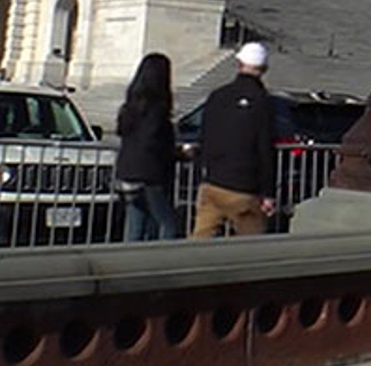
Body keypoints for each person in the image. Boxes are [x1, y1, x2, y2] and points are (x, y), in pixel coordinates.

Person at [191, 41, 276, 238]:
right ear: (264, 69)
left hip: (212, 182)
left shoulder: (217, 95)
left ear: (238, 63)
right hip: (244, 186)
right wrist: (268, 192)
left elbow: (204, 137)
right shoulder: (262, 100)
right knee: (252, 247)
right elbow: (264, 148)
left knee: (199, 242)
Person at [115, 52, 180, 241]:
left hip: (127, 171)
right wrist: (177, 152)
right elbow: (152, 142)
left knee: (136, 221)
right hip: (149, 174)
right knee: (168, 223)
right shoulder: (157, 109)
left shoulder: (130, 106)